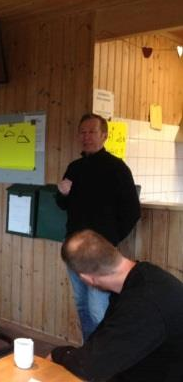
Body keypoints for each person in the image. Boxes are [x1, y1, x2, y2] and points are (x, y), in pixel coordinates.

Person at [50, 229, 183, 382]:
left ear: (86, 278)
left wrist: (58, 354)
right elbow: (102, 342)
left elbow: (92, 367)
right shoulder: (140, 277)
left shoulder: (143, 303)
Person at [55, 113, 140, 340]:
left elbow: (133, 212)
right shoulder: (74, 167)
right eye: (83, 132)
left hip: (100, 255)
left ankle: (106, 363)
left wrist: (110, 241)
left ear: (104, 135)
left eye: (92, 132)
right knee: (82, 305)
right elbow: (63, 204)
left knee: (98, 309)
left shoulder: (117, 168)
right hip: (73, 250)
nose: (87, 137)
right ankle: (89, 354)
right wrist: (61, 194)